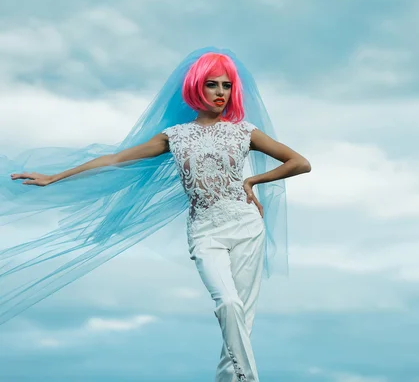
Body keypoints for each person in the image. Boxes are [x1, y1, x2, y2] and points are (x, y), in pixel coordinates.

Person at [1, 47, 311, 381]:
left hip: (247, 225)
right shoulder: (175, 137)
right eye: (212, 84)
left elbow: (300, 163)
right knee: (229, 305)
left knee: (241, 324)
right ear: (196, 87)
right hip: (206, 230)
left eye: (226, 86)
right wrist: (55, 177)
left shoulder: (244, 132)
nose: (220, 93)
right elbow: (114, 159)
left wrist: (253, 179)